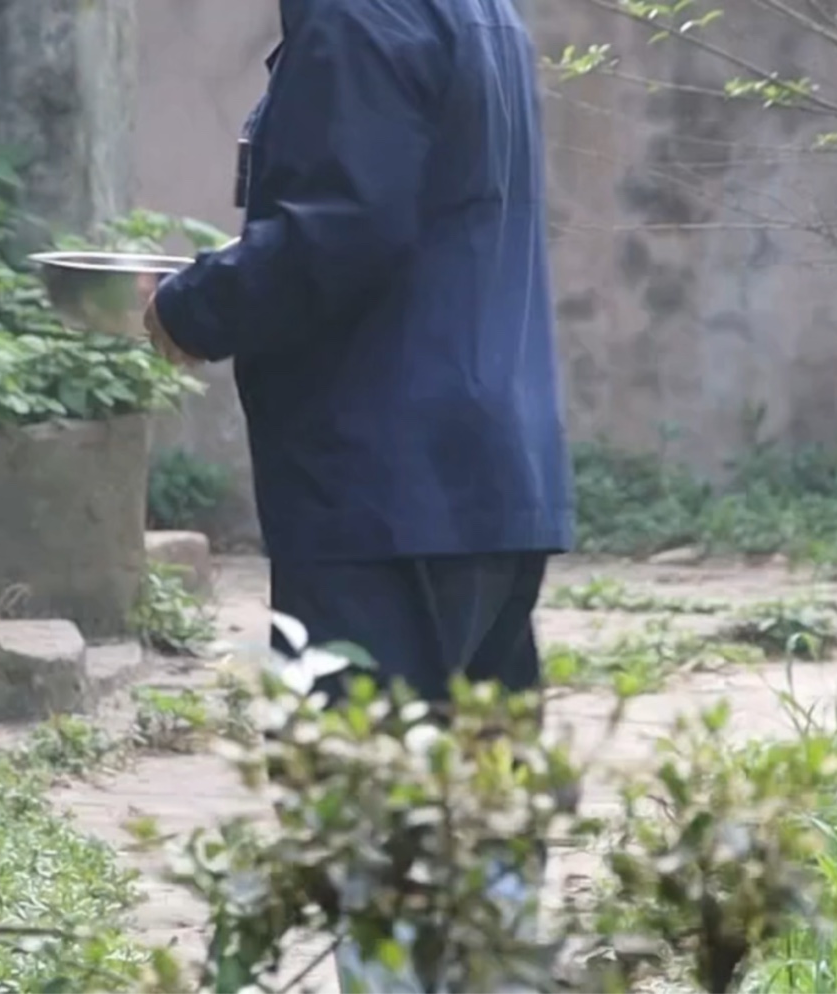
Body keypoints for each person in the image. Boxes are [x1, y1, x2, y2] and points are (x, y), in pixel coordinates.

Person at [143, 1, 571, 987]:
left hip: (384, 483)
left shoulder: (359, 16)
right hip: (489, 476)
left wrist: (190, 303)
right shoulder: (481, 10)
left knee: (378, 828)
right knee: (482, 819)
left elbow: (339, 229)